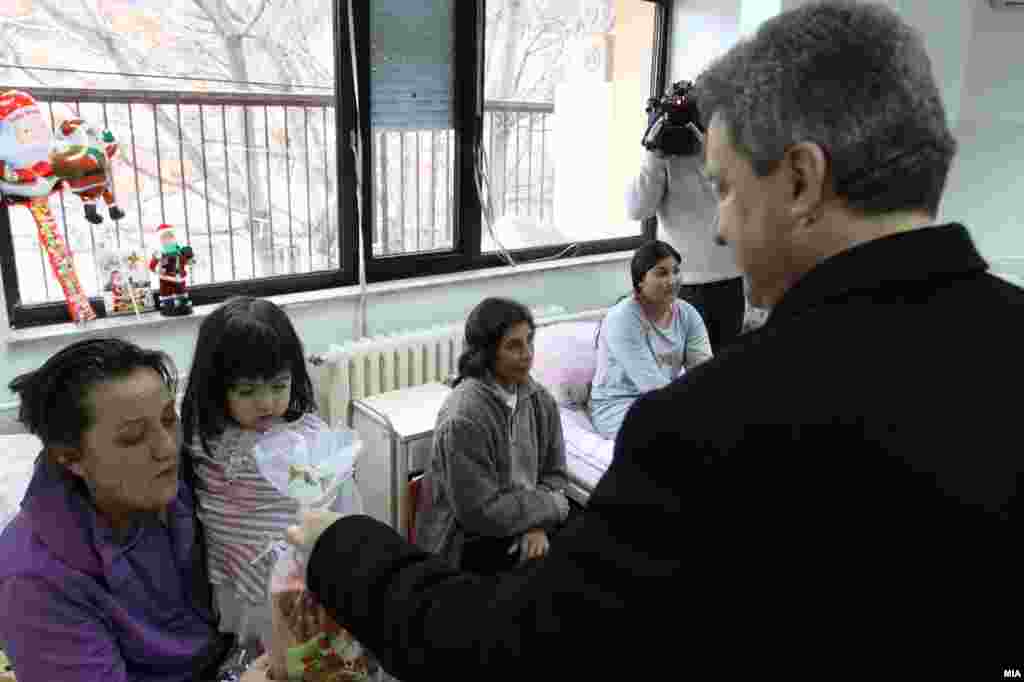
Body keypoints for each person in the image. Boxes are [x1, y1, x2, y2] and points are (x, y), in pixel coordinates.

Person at [274, 2, 1023, 678]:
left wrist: (342, 545)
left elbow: (509, 654)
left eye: (726, 186)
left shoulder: (714, 426)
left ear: (800, 180)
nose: (721, 226)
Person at [0, 338, 230, 682]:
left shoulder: (190, 479)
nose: (167, 449)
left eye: (169, 419)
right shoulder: (35, 580)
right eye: (134, 437)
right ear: (70, 457)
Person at [180, 296, 368, 677]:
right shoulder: (206, 442)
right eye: (247, 392)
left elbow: (335, 498)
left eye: (279, 386)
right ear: (217, 388)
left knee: (311, 653)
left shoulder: (306, 434)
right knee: (269, 657)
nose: (266, 403)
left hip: (302, 577)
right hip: (245, 581)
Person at [414, 297, 570, 574]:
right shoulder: (463, 417)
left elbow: (554, 475)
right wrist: (548, 508)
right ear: (486, 353)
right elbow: (480, 512)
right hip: (464, 542)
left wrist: (536, 525)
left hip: (522, 523)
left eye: (529, 341)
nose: (527, 354)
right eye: (514, 345)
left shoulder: (540, 401)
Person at [627, 98, 745, 352]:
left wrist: (710, 150)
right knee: (683, 370)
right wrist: (653, 155)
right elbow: (638, 209)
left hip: (729, 278)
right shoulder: (661, 155)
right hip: (679, 282)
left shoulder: (726, 146)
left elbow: (740, 198)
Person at [588, 240, 712, 439]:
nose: (672, 280)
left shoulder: (688, 314)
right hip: (618, 407)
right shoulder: (623, 319)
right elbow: (651, 386)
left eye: (676, 271)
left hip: (664, 401)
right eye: (661, 273)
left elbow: (705, 375)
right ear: (640, 280)